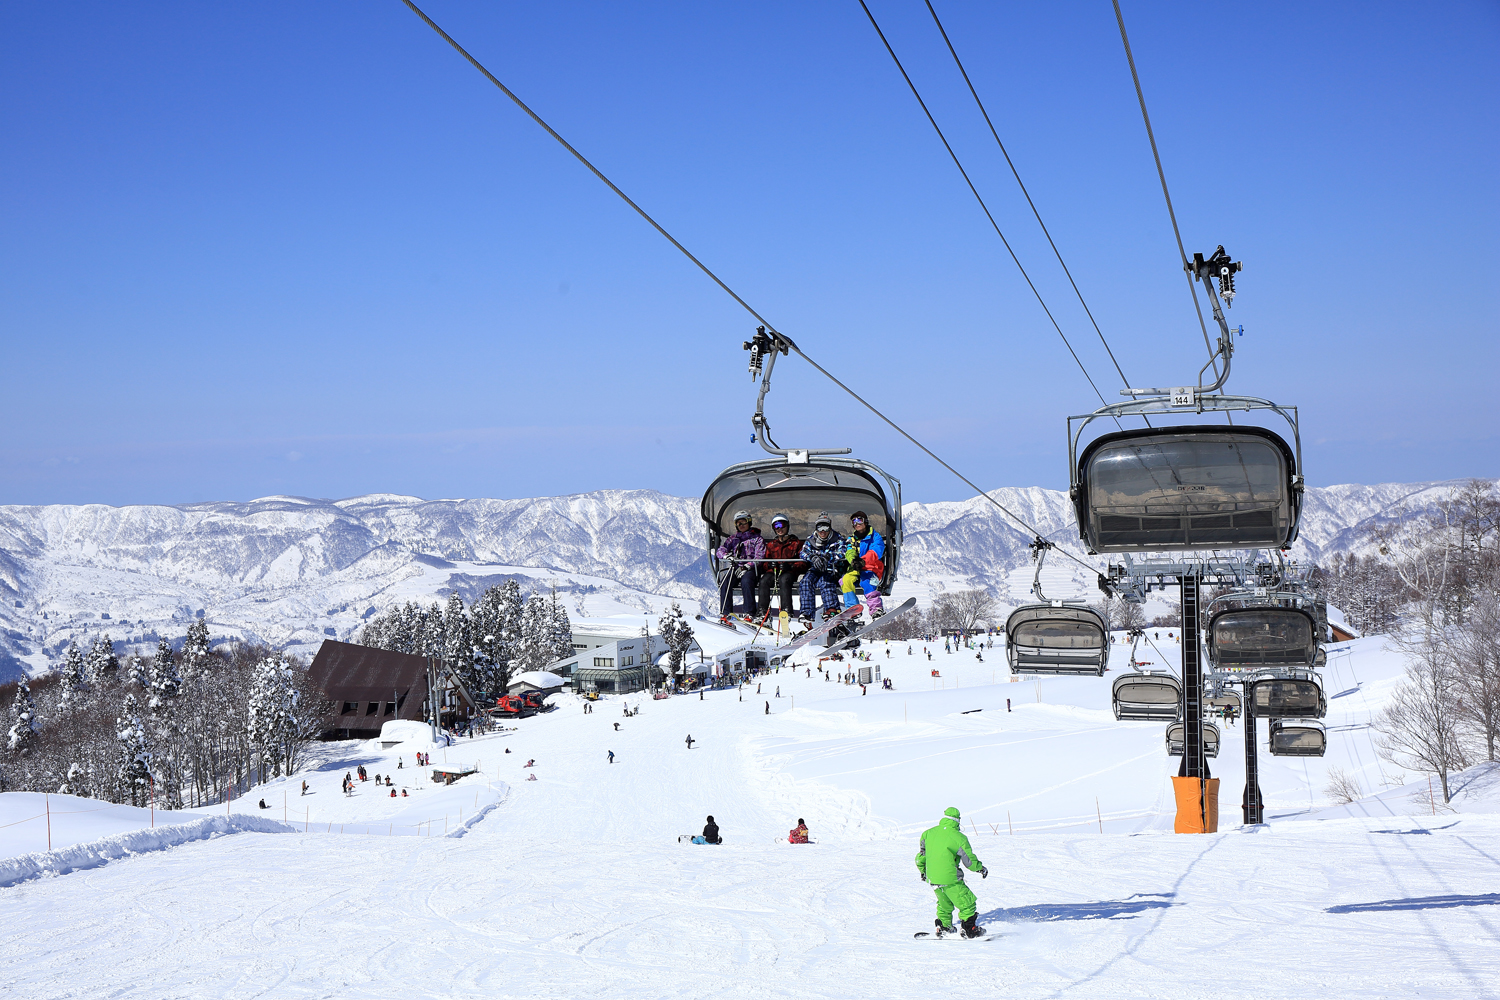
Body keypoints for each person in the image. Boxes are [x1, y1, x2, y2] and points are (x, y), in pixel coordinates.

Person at [915, 806, 988, 939]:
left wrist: (923, 872)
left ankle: (944, 927)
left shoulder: (927, 834)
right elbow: (969, 860)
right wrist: (980, 868)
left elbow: (921, 857)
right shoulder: (958, 837)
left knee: (944, 904)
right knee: (967, 903)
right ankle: (969, 929)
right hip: (950, 878)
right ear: (958, 820)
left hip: (933, 878)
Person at [797, 512, 846, 625]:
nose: (822, 531)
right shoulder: (811, 540)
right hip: (815, 568)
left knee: (825, 582)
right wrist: (812, 557)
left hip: (831, 568)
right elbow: (803, 553)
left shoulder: (837, 539)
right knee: (806, 582)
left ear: (830, 528)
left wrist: (829, 557)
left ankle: (831, 609)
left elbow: (843, 552)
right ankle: (807, 612)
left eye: (825, 527)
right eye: (820, 528)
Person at [716, 510, 767, 616]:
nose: (741, 525)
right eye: (739, 523)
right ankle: (726, 613)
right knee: (725, 582)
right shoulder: (733, 539)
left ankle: (749, 612)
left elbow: (759, 556)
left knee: (746, 581)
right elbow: (720, 550)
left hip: (751, 569)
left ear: (749, 522)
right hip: (736, 568)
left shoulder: (757, 539)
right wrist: (726, 556)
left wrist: (748, 566)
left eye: (744, 522)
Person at [756, 513, 806, 619]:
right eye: (776, 526)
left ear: (787, 526)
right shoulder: (771, 545)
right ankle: (762, 611)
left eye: (782, 525)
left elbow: (803, 562)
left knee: (784, 580)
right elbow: (764, 563)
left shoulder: (796, 543)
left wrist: (791, 566)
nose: (779, 529)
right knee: (764, 581)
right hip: (773, 572)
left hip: (789, 572)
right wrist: (769, 565)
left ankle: (786, 610)